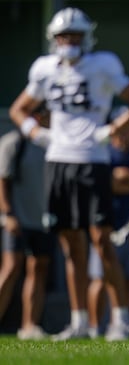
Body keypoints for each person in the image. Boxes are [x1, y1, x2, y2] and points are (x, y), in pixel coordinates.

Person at [9, 7, 129, 341]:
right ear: (54, 39)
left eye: (75, 36)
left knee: (102, 241)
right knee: (70, 245)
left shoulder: (103, 65)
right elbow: (19, 110)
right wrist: (36, 133)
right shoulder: (45, 69)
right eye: (64, 36)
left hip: (94, 160)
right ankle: (79, 321)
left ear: (87, 37)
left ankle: (119, 320)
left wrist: (113, 128)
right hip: (58, 160)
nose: (69, 42)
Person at [87, 106, 129, 338]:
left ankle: (120, 324)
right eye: (122, 128)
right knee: (100, 277)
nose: (125, 133)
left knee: (127, 279)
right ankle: (93, 327)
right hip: (108, 225)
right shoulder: (102, 154)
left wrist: (126, 177)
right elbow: (109, 184)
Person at [0, 104, 56, 340]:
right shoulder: (14, 142)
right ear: (37, 116)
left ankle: (29, 326)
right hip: (17, 219)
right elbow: (2, 181)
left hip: (43, 221)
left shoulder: (52, 144)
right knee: (11, 269)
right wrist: (8, 214)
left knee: (38, 270)